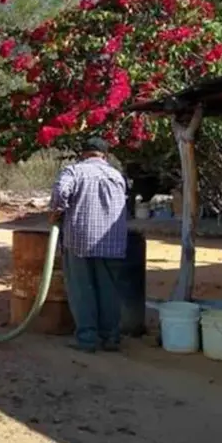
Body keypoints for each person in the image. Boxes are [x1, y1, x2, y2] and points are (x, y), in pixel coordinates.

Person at [48, 137, 128, 353]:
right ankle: (111, 337)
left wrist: (56, 212)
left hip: (79, 241)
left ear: (83, 153)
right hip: (113, 242)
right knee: (109, 290)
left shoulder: (74, 172)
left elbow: (60, 194)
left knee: (82, 290)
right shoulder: (116, 175)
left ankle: (87, 339)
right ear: (104, 155)